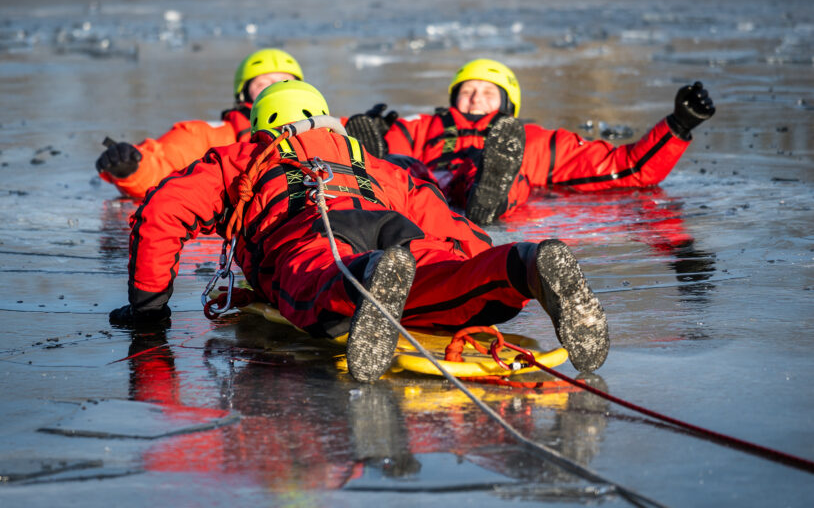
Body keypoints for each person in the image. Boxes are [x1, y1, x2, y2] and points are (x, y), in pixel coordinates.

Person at [110, 80, 610, 382]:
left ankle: (370, 278)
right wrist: (483, 252)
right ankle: (521, 267)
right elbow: (448, 223)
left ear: (263, 122)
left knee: (320, 284)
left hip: (312, 232)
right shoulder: (371, 162)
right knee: (443, 273)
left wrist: (149, 312)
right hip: (395, 223)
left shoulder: (242, 156)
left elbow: (160, 213)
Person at [345, 58, 716, 225]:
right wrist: (361, 130)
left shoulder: (531, 140)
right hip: (425, 183)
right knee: (399, 167)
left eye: (488, 92)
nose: (475, 99)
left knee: (502, 170)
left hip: (485, 184)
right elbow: (331, 132)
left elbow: (626, 167)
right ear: (452, 96)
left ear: (508, 103)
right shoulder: (420, 127)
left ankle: (489, 194)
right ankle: (370, 170)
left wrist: (678, 126)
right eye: (467, 91)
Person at [95, 48, 304, 199]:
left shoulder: (329, 130)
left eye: (284, 81)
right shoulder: (207, 136)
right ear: (243, 94)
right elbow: (161, 168)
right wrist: (131, 166)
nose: (274, 89)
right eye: (263, 84)